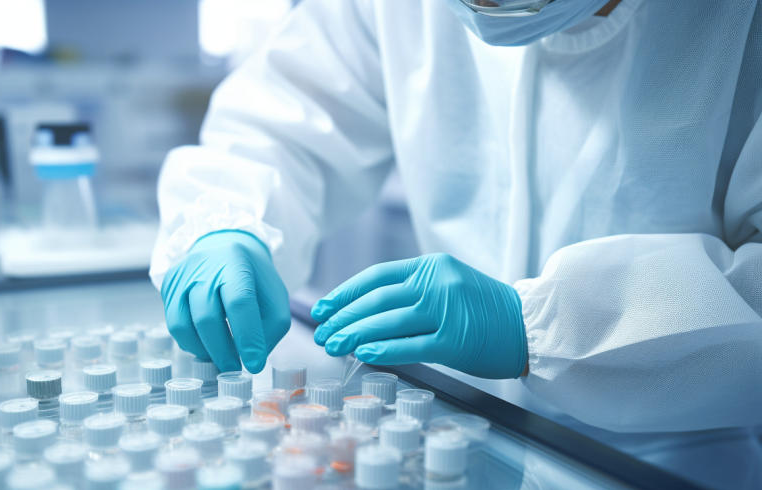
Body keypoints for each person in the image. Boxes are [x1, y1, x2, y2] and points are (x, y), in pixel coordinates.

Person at [151, 0, 762, 432]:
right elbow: (286, 119)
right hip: (461, 433)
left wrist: (553, 326)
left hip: (680, 476)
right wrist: (226, 223)